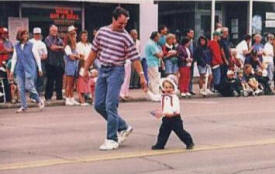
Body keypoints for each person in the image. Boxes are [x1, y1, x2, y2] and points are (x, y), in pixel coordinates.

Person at [83, 7, 147, 150]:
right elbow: (93, 52)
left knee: (111, 105)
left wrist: (142, 76)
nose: (123, 27)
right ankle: (123, 126)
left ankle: (112, 139)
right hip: (103, 70)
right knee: (99, 105)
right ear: (113, 18)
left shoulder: (126, 37)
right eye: (120, 23)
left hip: (117, 71)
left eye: (125, 24)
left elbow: (135, 58)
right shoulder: (102, 32)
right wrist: (86, 69)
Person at [151, 77, 194, 150]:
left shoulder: (174, 97)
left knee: (180, 131)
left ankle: (189, 142)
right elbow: (154, 97)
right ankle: (160, 144)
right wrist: (147, 92)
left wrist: (173, 113)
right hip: (166, 118)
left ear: (173, 88)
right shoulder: (162, 97)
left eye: (170, 87)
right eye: (166, 87)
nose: (168, 89)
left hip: (175, 118)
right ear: (163, 88)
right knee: (163, 132)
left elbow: (176, 107)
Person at [10, 29, 45, 113]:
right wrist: (11, 70)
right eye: (24, 34)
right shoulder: (17, 46)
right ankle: (23, 106)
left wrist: (39, 68)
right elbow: (14, 58)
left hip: (30, 68)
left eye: (26, 34)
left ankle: (39, 101)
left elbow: (37, 57)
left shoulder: (32, 45)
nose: (26, 36)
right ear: (20, 36)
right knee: (21, 88)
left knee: (29, 87)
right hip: (19, 69)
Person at [44, 25, 65, 102]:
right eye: (53, 30)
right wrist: (60, 47)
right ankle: (48, 97)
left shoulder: (59, 39)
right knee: (50, 80)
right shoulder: (47, 39)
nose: (54, 32)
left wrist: (59, 47)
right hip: (50, 62)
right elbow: (52, 47)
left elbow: (64, 48)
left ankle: (59, 97)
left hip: (59, 63)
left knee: (59, 81)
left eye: (56, 31)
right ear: (50, 31)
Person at [64, 26, 81, 106]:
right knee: (69, 83)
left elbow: (78, 56)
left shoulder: (75, 46)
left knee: (73, 84)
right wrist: (76, 56)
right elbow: (71, 57)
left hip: (75, 66)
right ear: (70, 37)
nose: (75, 38)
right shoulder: (67, 47)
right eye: (74, 37)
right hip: (70, 66)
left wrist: (76, 56)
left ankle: (72, 98)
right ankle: (67, 98)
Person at [30, 27, 48, 98]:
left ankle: (39, 94)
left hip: (41, 62)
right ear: (33, 34)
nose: (37, 35)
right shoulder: (30, 42)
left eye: (38, 34)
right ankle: (32, 96)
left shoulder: (42, 43)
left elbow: (45, 54)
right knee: (33, 79)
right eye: (36, 34)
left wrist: (41, 57)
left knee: (41, 78)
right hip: (32, 62)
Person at [145, 31, 163, 102]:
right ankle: (156, 94)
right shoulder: (151, 44)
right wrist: (161, 53)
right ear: (155, 37)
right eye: (158, 37)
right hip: (152, 63)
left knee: (152, 79)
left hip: (153, 63)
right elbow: (158, 54)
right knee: (155, 79)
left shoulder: (153, 43)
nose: (159, 38)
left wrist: (160, 53)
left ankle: (151, 94)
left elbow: (160, 53)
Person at [76, 30, 92, 106]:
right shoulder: (78, 45)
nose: (85, 37)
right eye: (83, 36)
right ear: (80, 36)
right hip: (82, 65)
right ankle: (81, 99)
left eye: (86, 36)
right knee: (81, 82)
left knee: (88, 81)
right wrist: (85, 65)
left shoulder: (90, 45)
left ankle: (87, 96)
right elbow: (80, 57)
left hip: (90, 65)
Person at [186, 29, 196, 95]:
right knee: (186, 75)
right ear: (188, 34)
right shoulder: (185, 41)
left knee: (191, 75)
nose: (192, 34)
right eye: (191, 33)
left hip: (192, 60)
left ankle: (190, 89)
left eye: (193, 33)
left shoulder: (194, 42)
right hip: (186, 60)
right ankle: (186, 89)